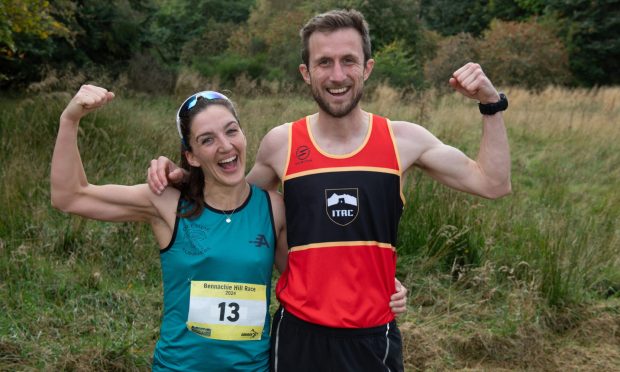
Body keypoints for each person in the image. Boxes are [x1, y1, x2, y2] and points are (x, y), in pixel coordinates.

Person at [147, 8, 511, 372]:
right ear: (306, 73)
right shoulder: (282, 143)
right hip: (297, 337)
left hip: (372, 337)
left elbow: (492, 183)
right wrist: (182, 173)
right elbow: (232, 201)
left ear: (367, 67)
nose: (337, 75)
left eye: (348, 61)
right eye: (324, 62)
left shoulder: (403, 140)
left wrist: (490, 103)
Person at [51, 85, 288, 371]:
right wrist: (70, 120)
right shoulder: (167, 203)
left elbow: (304, 284)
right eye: (207, 139)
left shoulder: (274, 208)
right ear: (192, 156)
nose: (225, 146)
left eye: (231, 130)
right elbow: (70, 196)